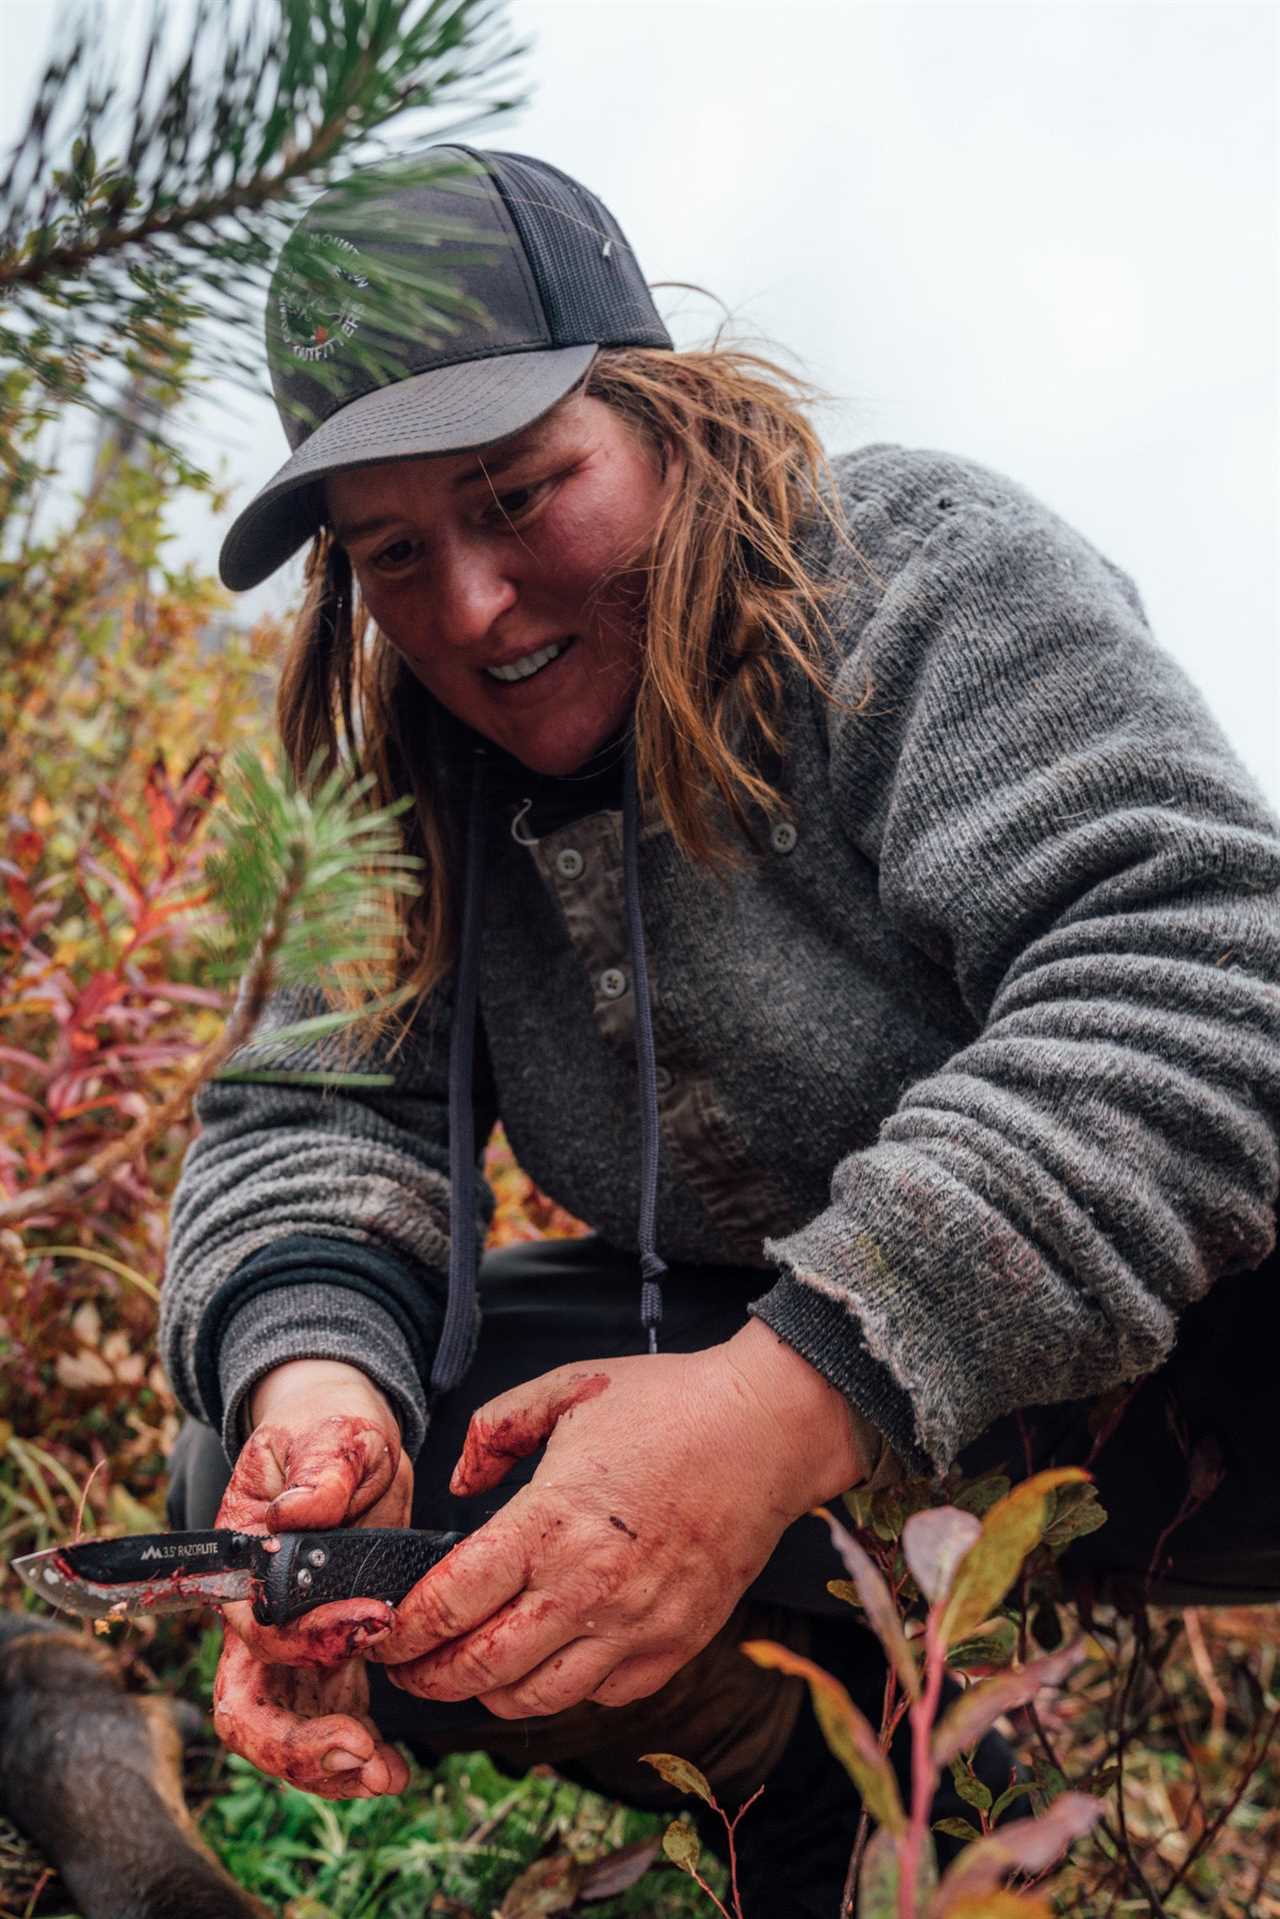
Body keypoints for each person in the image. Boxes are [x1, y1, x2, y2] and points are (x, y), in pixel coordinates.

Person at [160, 147, 1280, 1912]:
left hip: (1203, 1375)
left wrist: (783, 1399)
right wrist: (319, 1396)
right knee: (259, 1462)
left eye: (521, 496)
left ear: (663, 417)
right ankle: (843, 1787)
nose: (467, 608)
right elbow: (306, 1125)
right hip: (797, 1406)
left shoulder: (914, 576)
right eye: (393, 553)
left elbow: (1204, 973)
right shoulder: (394, 770)